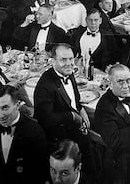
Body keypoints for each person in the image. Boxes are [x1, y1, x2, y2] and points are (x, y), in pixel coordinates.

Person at [33, 44, 90, 173]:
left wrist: (81, 109)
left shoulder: (68, 72)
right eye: (63, 59)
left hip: (75, 128)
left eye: (71, 58)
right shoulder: (45, 85)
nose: (69, 63)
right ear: (53, 61)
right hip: (60, 138)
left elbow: (74, 99)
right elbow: (45, 120)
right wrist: (72, 116)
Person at [0, 85, 49, 184]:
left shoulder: (35, 132)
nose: (0, 115)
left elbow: (39, 172)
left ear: (18, 105)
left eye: (5, 108)